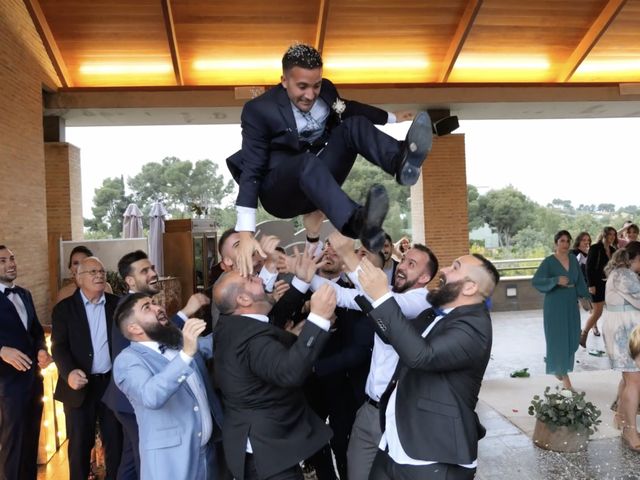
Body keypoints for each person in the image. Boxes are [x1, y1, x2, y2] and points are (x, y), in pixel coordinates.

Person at [227, 43, 449, 276]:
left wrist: (391, 117)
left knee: (352, 125)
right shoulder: (260, 110)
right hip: (280, 192)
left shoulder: (327, 91)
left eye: (316, 85)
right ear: (284, 81)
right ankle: (356, 221)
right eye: (302, 87)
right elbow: (252, 169)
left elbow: (350, 109)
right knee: (305, 161)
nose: (310, 95)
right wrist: (245, 231)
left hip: (314, 182)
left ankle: (400, 162)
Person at [355, 253, 500, 480]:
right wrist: (369, 291)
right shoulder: (436, 313)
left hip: (432, 455)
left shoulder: (474, 327)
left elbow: (421, 356)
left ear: (470, 287)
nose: (444, 270)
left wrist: (382, 296)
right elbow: (395, 335)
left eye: (455, 267)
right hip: (396, 442)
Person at [306, 232, 437, 480]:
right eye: (404, 259)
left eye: (412, 264)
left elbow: (390, 306)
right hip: (368, 411)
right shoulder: (385, 293)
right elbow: (342, 295)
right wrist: (305, 276)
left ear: (425, 277)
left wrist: (347, 254)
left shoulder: (422, 300)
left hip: (397, 413)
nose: (402, 266)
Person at [212, 270, 337, 480]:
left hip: (258, 445)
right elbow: (290, 372)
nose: (260, 278)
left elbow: (272, 320)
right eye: (251, 279)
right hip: (268, 453)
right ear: (243, 299)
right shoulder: (252, 339)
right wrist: (318, 319)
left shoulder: (229, 324)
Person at [101, 249, 211, 479]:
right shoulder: (126, 319)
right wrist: (186, 349)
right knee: (142, 459)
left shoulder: (160, 330)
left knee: (133, 458)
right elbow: (149, 390)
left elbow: (169, 335)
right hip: (133, 403)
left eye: (152, 268)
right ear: (130, 280)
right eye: (145, 271)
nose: (153, 273)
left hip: (197, 451)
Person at [112, 293, 224, 478]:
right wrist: (186, 354)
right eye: (147, 307)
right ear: (134, 328)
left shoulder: (177, 342)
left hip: (208, 455)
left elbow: (218, 343)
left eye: (154, 303)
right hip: (170, 464)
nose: (158, 307)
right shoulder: (127, 360)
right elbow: (151, 396)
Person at [51, 256, 123, 480]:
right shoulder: (64, 309)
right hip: (78, 386)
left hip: (111, 384)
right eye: (92, 272)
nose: (99, 275)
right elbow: (59, 347)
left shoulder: (117, 304)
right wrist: (69, 372)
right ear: (78, 279)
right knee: (80, 446)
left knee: (116, 442)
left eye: (101, 271)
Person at [0, 245, 52, 480]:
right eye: (2, 261)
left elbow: (36, 332)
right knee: (12, 447)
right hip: (6, 386)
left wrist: (41, 349)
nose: (11, 264)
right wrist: (1, 351)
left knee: (31, 444)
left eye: (12, 258)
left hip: (33, 382)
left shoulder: (25, 294)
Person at [532, 230, 590, 391]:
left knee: (572, 337)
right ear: (556, 243)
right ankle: (566, 380)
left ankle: (558, 367)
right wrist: (555, 280)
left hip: (571, 302)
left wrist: (585, 297)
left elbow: (579, 279)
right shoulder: (549, 262)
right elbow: (537, 281)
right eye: (562, 241)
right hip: (555, 303)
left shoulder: (572, 259)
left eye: (567, 241)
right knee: (558, 339)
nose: (565, 244)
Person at [600, 242, 640, 452]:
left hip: (623, 327)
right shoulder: (625, 275)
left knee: (629, 379)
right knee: (634, 380)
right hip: (625, 330)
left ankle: (623, 421)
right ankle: (631, 431)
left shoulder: (620, 273)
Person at [583, 226, 618, 345]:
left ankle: (611, 336)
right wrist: (591, 285)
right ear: (604, 235)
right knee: (597, 311)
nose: (612, 237)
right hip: (597, 284)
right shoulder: (595, 248)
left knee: (612, 311)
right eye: (610, 234)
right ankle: (584, 334)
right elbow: (588, 268)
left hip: (609, 285)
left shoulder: (613, 250)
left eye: (614, 234)